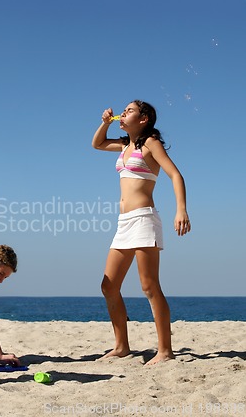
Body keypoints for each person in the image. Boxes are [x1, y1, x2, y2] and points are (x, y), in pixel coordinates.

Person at [91, 100, 191, 365]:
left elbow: (175, 175)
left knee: (149, 286)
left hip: (144, 219)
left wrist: (181, 209)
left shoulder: (150, 144)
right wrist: (104, 122)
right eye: (123, 111)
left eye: (130, 111)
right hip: (123, 223)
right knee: (108, 286)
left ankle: (165, 351)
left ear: (144, 119)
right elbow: (97, 144)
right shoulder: (124, 145)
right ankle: (122, 346)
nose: (123, 113)